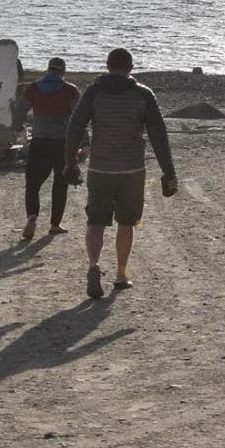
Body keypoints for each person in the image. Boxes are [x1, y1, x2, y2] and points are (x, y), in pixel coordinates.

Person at [64, 47, 177, 298]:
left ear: (107, 65)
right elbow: (159, 135)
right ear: (131, 68)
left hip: (100, 167)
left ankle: (93, 265)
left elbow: (75, 127)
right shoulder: (143, 94)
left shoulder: (94, 92)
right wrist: (169, 172)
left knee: (95, 221)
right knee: (126, 222)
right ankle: (121, 273)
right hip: (132, 169)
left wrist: (69, 162)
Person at [17, 57, 80, 241]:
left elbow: (20, 110)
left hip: (39, 141)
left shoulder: (34, 88)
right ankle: (54, 224)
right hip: (62, 143)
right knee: (60, 184)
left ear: (47, 69)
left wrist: (17, 127)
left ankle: (32, 216)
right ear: (63, 71)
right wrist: (84, 143)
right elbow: (78, 119)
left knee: (33, 183)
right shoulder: (70, 90)